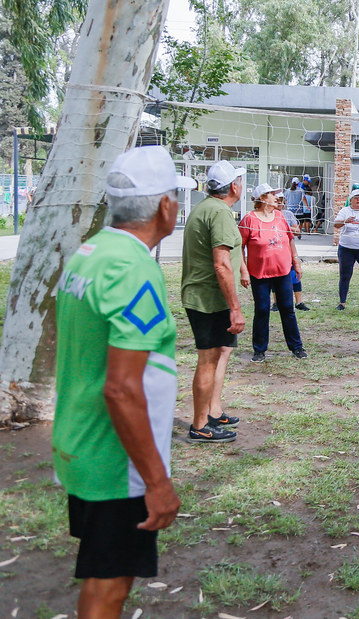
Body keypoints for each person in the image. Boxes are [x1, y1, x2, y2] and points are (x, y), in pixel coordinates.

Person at [54, 146, 187, 617]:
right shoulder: (132, 268)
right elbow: (122, 388)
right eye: (176, 198)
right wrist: (157, 481)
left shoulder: (91, 252)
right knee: (110, 586)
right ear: (165, 206)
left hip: (81, 440)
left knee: (100, 574)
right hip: (115, 460)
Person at [182, 160, 247, 444]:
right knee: (208, 359)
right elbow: (221, 264)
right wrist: (235, 309)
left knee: (221, 351)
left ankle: (213, 411)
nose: (242, 185)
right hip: (208, 298)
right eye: (239, 181)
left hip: (207, 296)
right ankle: (199, 426)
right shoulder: (219, 213)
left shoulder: (207, 208)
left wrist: (243, 270)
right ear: (233, 187)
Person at [239, 183, 306, 362]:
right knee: (262, 309)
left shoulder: (280, 216)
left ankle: (297, 347)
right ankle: (259, 350)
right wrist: (243, 270)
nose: (277, 197)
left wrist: (296, 262)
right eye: (272, 194)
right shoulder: (249, 219)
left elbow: (290, 240)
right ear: (262, 198)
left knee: (287, 309)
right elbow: (239, 247)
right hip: (259, 273)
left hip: (282, 271)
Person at [272, 195, 309, 311]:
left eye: (281, 201)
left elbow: (297, 231)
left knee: (294, 275)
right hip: (274, 250)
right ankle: (276, 303)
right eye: (277, 201)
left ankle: (299, 302)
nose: (279, 203)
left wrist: (285, 227)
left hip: (288, 250)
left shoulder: (288, 214)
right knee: (274, 276)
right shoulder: (269, 215)